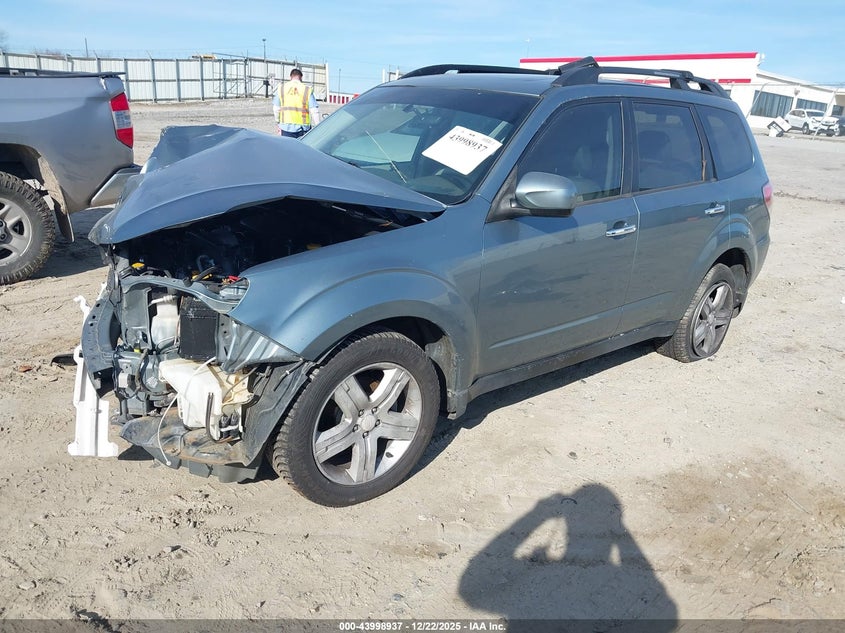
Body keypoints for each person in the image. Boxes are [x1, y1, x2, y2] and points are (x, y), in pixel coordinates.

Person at [273, 68, 320, 138]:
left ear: (290, 77)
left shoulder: (281, 88)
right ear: (301, 77)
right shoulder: (307, 89)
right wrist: (318, 126)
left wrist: (278, 122)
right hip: (303, 129)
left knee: (287, 148)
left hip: (286, 128)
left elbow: (276, 108)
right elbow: (314, 110)